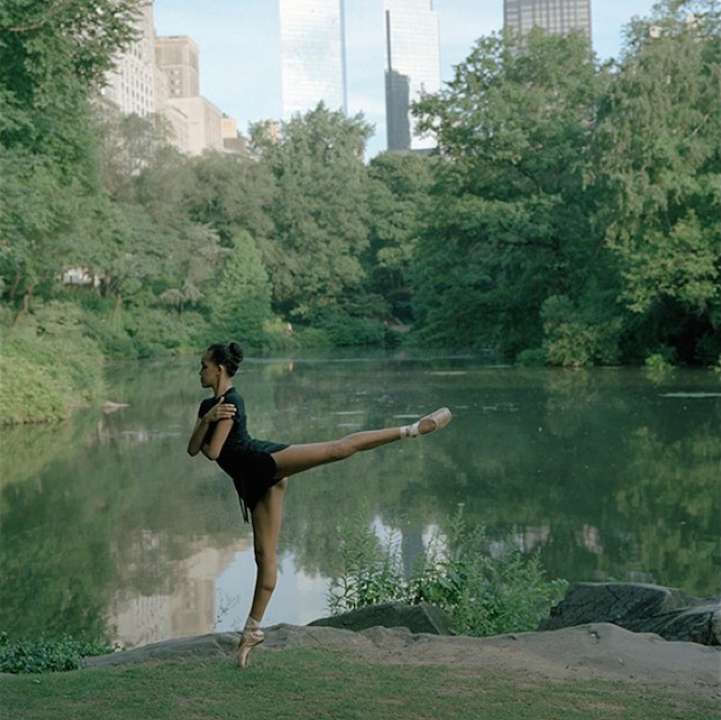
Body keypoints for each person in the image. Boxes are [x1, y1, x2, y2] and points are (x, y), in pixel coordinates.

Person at [187, 341, 452, 668]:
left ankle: (412, 429)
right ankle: (252, 632)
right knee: (264, 557)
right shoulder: (209, 407)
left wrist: (209, 422)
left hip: (262, 462)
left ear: (219, 369)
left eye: (204, 366)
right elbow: (192, 449)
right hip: (250, 482)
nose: (199, 372)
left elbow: (212, 451)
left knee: (337, 449)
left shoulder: (231, 402)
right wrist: (205, 419)